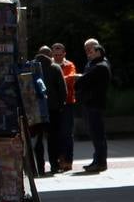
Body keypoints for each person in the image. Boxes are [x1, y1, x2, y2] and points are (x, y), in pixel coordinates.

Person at [74, 38, 111, 173]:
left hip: (94, 104)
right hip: (91, 104)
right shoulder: (94, 64)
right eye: (86, 50)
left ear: (98, 51)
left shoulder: (100, 66)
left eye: (91, 50)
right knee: (95, 134)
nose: (88, 53)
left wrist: (79, 79)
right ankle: (97, 161)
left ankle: (100, 162)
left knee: (97, 135)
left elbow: (81, 81)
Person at [32, 45, 66, 175]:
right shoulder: (55, 67)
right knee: (53, 139)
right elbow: (62, 90)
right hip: (53, 109)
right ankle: (54, 165)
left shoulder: (31, 67)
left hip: (36, 110)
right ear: (50, 55)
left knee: (38, 139)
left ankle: (40, 168)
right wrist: (60, 105)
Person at [51, 42, 77, 170]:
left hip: (67, 103)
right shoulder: (50, 65)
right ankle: (59, 160)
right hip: (54, 104)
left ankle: (68, 161)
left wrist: (58, 80)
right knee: (56, 134)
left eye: (60, 55)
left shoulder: (69, 65)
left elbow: (71, 79)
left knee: (67, 133)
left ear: (64, 54)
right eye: (55, 55)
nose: (57, 57)